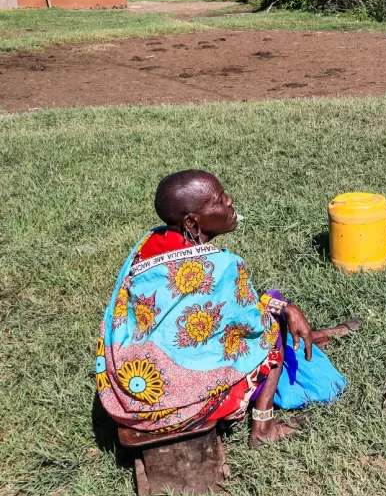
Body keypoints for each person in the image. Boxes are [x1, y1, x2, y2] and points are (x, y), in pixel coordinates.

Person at [96, 170, 361, 448]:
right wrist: (285, 308)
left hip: (130, 396)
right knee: (271, 324)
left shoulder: (148, 244)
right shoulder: (219, 267)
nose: (230, 201)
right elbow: (254, 326)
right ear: (192, 222)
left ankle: (316, 336)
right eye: (220, 200)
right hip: (179, 409)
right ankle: (263, 426)